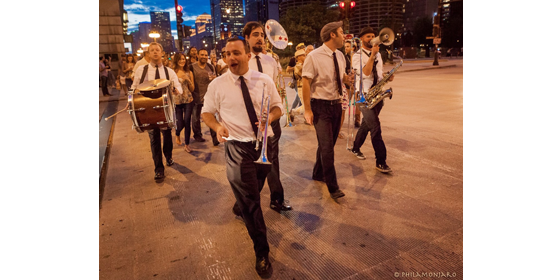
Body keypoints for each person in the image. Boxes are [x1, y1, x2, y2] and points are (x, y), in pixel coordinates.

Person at [201, 36, 283, 278]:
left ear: (248, 55)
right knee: (252, 202)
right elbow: (207, 112)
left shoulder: (265, 80)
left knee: (255, 187)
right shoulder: (217, 85)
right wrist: (217, 127)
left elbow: (278, 107)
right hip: (236, 146)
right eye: (227, 54)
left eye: (236, 53)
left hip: (263, 145)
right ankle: (262, 252)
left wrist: (270, 118)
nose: (231, 58)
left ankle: (240, 204)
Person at [302, 21, 354, 200]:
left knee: (328, 144)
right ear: (332, 35)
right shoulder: (314, 56)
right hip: (320, 106)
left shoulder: (339, 55)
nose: (344, 36)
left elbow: (340, 78)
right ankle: (333, 187)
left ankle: (318, 172)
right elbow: (306, 82)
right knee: (327, 148)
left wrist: (347, 79)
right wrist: (307, 109)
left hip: (336, 105)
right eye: (341, 32)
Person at [243, 21, 291, 213]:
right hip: (248, 119)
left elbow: (277, 89)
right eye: (255, 34)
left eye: (262, 34)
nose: (260, 38)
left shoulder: (272, 60)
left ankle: (277, 199)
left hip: (270, 117)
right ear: (246, 38)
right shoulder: (242, 60)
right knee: (248, 164)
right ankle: (243, 203)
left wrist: (278, 112)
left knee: (272, 159)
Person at [131, 42, 183, 180]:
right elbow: (133, 88)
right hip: (148, 110)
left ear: (162, 53)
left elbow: (178, 86)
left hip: (165, 109)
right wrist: (130, 102)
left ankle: (168, 156)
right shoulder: (141, 70)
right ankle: (159, 169)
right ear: (148, 54)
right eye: (152, 50)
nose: (155, 52)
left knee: (167, 136)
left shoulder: (169, 71)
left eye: (157, 50)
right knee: (154, 139)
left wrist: (177, 90)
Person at [350, 27, 395, 173]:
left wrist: (386, 77)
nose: (372, 38)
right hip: (363, 95)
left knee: (366, 125)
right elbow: (366, 72)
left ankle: (356, 148)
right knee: (375, 127)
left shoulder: (378, 54)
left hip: (377, 94)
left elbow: (377, 73)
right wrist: (372, 55)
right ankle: (380, 161)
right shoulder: (357, 56)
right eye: (368, 36)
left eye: (373, 36)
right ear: (362, 38)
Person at [189, 49, 219, 145]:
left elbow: (215, 79)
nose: (204, 57)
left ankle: (215, 139)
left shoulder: (210, 66)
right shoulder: (192, 67)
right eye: (202, 55)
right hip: (196, 97)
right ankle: (197, 135)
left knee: (212, 117)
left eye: (206, 55)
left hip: (208, 97)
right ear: (197, 55)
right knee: (196, 118)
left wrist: (215, 79)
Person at [171, 53, 196, 153]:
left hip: (188, 99)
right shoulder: (172, 73)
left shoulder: (189, 72)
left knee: (187, 121)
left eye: (183, 59)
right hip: (177, 100)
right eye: (180, 59)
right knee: (180, 122)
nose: (182, 61)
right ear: (176, 60)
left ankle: (187, 144)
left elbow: (192, 88)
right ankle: (177, 133)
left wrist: (188, 80)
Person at [287, 49, 306, 123]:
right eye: (303, 55)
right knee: (305, 106)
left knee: (308, 105)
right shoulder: (298, 66)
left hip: (305, 87)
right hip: (301, 88)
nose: (305, 57)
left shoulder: (303, 65)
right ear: (298, 57)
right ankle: (293, 112)